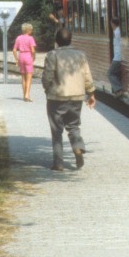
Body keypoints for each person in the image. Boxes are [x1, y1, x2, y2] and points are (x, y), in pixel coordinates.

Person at [41, 26, 96, 171]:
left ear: (57, 41)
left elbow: (47, 76)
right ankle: (78, 147)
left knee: (56, 130)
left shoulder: (52, 55)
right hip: (77, 96)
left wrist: (47, 88)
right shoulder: (80, 55)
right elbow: (87, 76)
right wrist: (91, 93)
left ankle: (58, 163)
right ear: (71, 40)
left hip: (56, 97)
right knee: (73, 126)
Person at [12, 22, 37, 101]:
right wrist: (33, 57)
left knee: (23, 77)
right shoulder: (30, 38)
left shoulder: (18, 38)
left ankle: (24, 95)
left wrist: (16, 59)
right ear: (28, 30)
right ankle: (27, 95)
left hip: (21, 56)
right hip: (28, 56)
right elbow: (33, 50)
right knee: (29, 78)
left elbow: (14, 50)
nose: (32, 31)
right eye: (31, 29)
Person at [108, 16, 125, 96]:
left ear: (113, 24)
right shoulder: (117, 31)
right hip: (118, 57)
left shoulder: (117, 32)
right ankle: (117, 91)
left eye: (111, 24)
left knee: (110, 73)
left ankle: (119, 89)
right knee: (113, 73)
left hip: (118, 57)